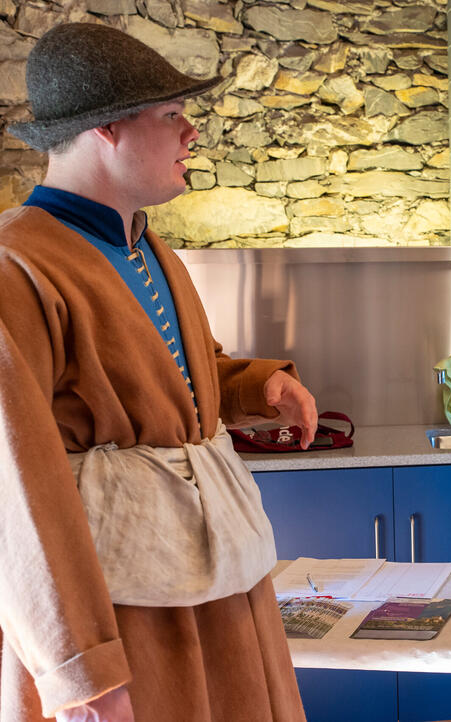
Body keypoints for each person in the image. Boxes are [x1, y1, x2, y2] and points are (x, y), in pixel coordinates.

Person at [0, 23, 317, 722]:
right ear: (105, 129)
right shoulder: (14, 267)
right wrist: (80, 671)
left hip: (222, 599)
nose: (191, 133)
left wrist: (252, 386)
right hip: (120, 618)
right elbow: (18, 492)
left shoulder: (152, 248)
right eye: (171, 115)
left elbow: (178, 375)